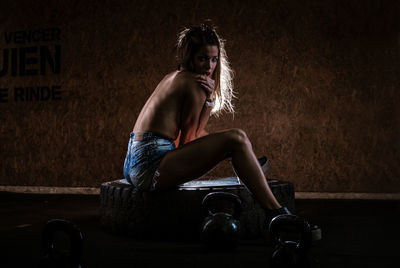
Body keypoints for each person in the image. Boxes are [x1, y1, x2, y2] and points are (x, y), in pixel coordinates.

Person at [123, 23, 292, 226]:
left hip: (134, 162)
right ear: (189, 58)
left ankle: (246, 163)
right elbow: (187, 142)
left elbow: (191, 134)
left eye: (213, 59)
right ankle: (277, 214)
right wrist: (209, 102)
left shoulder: (173, 77)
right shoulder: (195, 84)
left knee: (222, 140)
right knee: (236, 138)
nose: (209, 66)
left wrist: (220, 144)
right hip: (151, 168)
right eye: (202, 58)